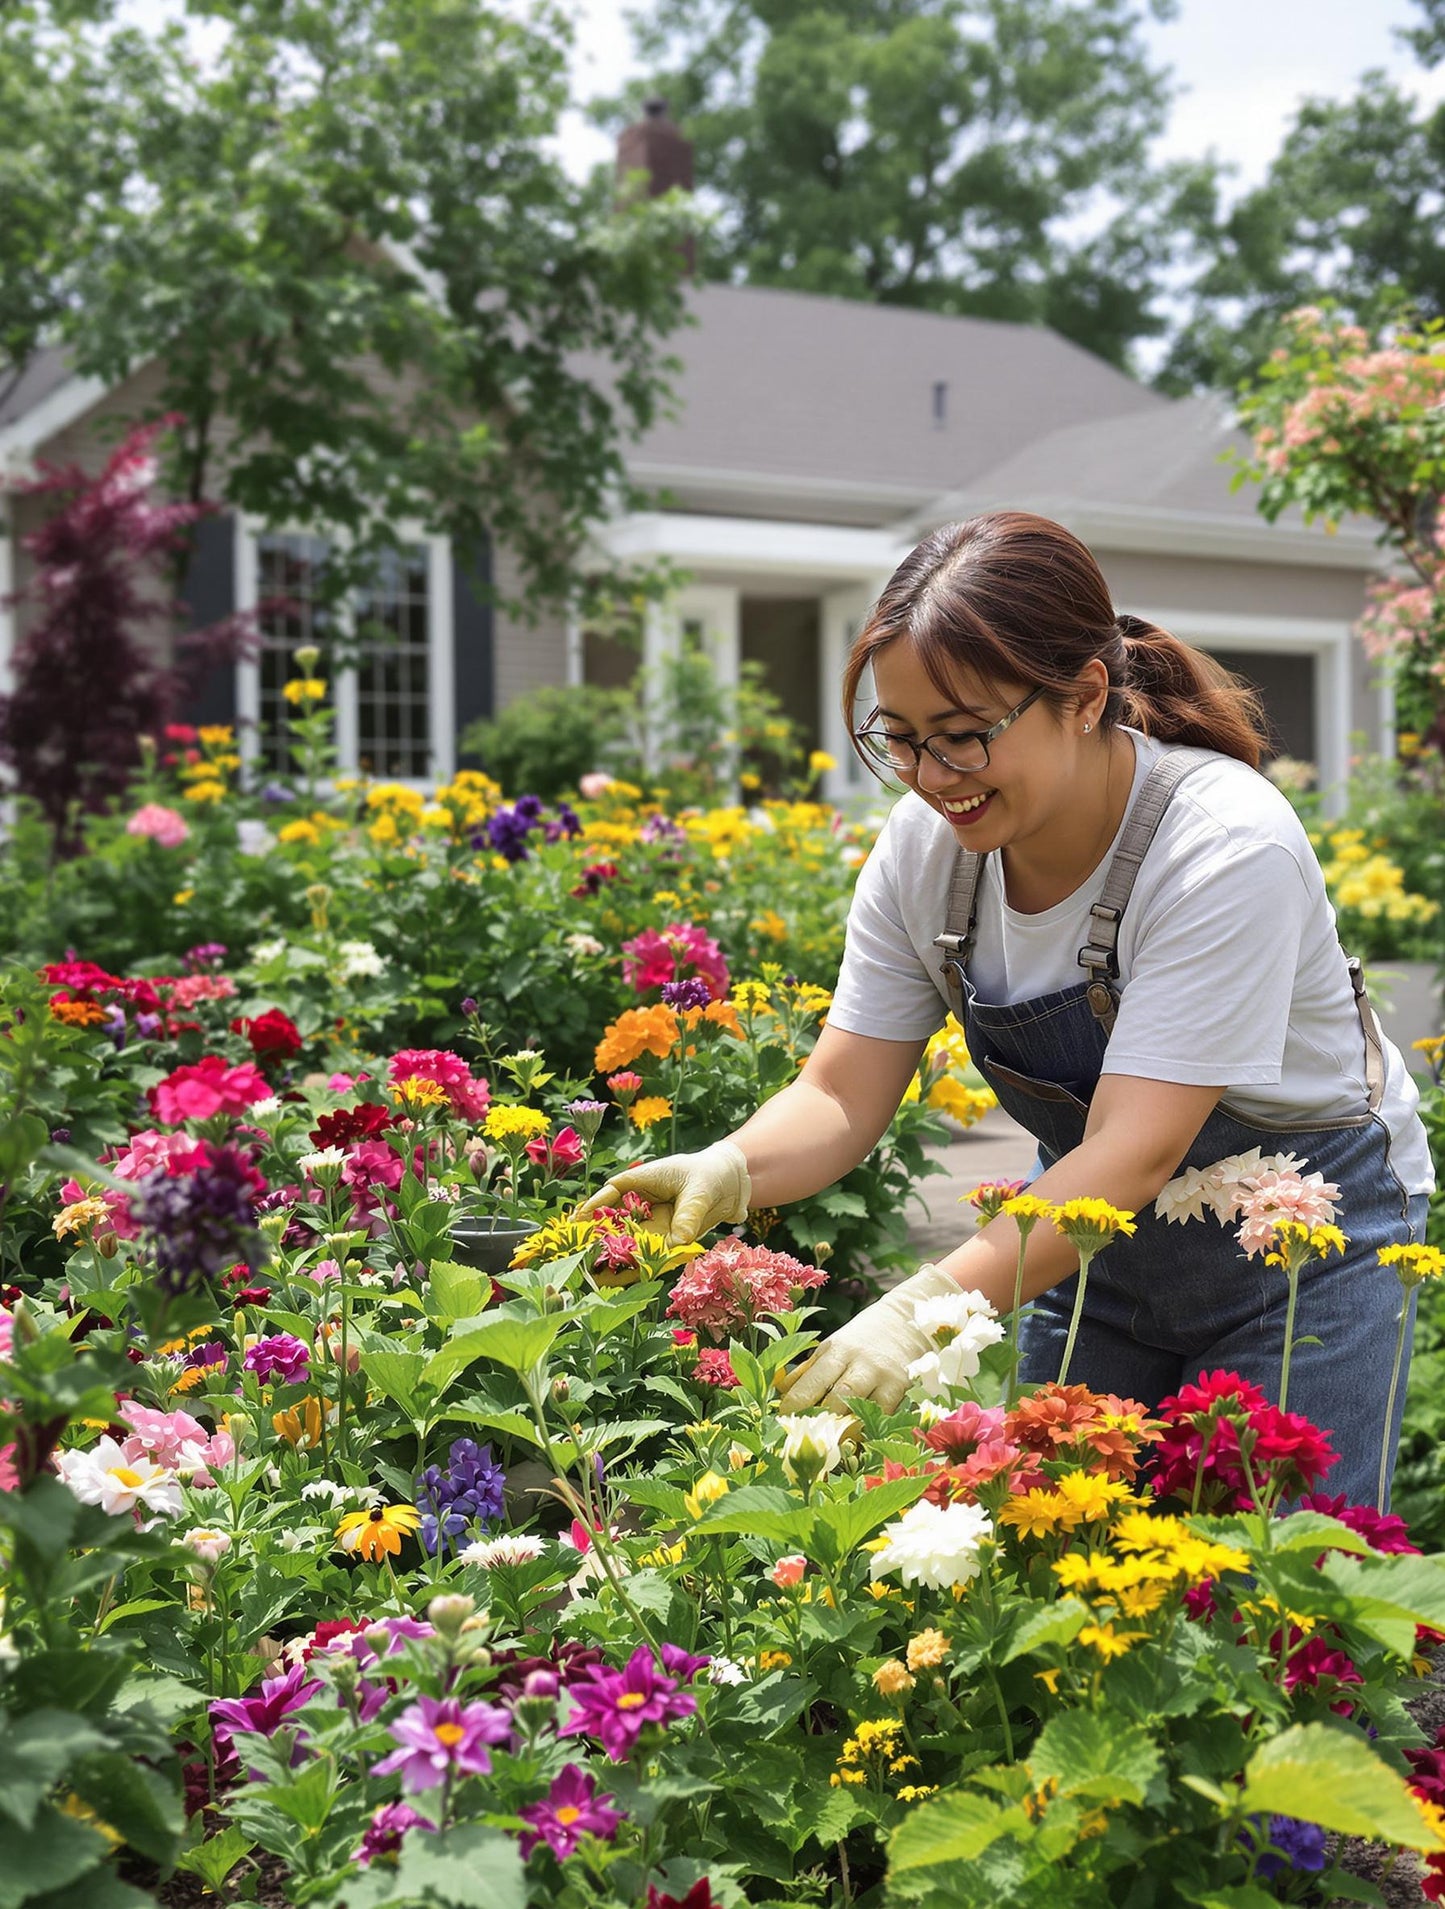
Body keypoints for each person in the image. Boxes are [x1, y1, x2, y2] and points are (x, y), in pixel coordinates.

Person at [583, 511, 1434, 1506]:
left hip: (1299, 1251)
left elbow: (1130, 1151)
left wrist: (920, 1311)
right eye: (899, 740)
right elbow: (841, 1093)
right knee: (1052, 1579)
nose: (932, 779)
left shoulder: (1218, 843)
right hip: (1085, 1250)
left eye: (964, 737)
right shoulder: (924, 853)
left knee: (1275, 1613)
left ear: (1081, 696)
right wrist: (729, 1165)